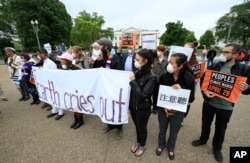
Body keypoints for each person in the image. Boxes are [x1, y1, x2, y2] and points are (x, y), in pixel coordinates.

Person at [191, 44, 250, 162]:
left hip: (226, 106)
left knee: (221, 128)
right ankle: (203, 139)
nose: (222, 54)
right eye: (222, 51)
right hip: (209, 103)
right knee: (205, 123)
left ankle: (217, 148)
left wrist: (246, 88)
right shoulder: (215, 65)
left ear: (236, 55)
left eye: (226, 52)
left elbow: (247, 90)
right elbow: (204, 81)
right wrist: (205, 92)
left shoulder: (244, 70)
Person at [155, 53, 195, 160]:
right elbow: (159, 93)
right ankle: (161, 144)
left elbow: (191, 98)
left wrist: (182, 89)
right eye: (169, 62)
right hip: (164, 110)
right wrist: (164, 107)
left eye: (172, 63)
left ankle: (171, 147)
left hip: (178, 111)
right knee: (162, 129)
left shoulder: (189, 78)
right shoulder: (164, 76)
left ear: (180, 66)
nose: (169, 65)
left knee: (174, 131)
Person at [129, 48, 156, 157]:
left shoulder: (152, 77)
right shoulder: (138, 71)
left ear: (145, 61)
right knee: (137, 126)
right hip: (133, 106)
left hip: (143, 108)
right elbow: (132, 92)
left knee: (142, 128)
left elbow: (143, 95)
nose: (135, 61)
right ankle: (138, 142)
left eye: (137, 59)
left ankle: (142, 145)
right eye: (135, 59)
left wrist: (132, 81)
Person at [58, 52, 84, 129]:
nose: (60, 61)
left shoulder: (75, 69)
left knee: (77, 106)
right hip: (69, 90)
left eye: (62, 59)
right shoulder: (63, 68)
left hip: (76, 91)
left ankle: (80, 120)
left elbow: (81, 79)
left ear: (66, 60)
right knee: (73, 105)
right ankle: (76, 120)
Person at [38, 49, 64, 120]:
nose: (39, 55)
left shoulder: (51, 62)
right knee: (51, 97)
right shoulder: (45, 62)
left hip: (53, 83)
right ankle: (54, 110)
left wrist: (43, 70)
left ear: (44, 54)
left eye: (40, 54)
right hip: (47, 83)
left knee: (56, 97)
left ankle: (61, 112)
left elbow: (53, 73)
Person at [151, 45, 168, 114]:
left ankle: (159, 107)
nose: (158, 52)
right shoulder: (154, 59)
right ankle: (154, 107)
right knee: (154, 94)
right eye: (157, 50)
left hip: (162, 80)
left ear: (163, 51)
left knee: (160, 94)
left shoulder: (166, 60)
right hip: (155, 79)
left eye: (159, 50)